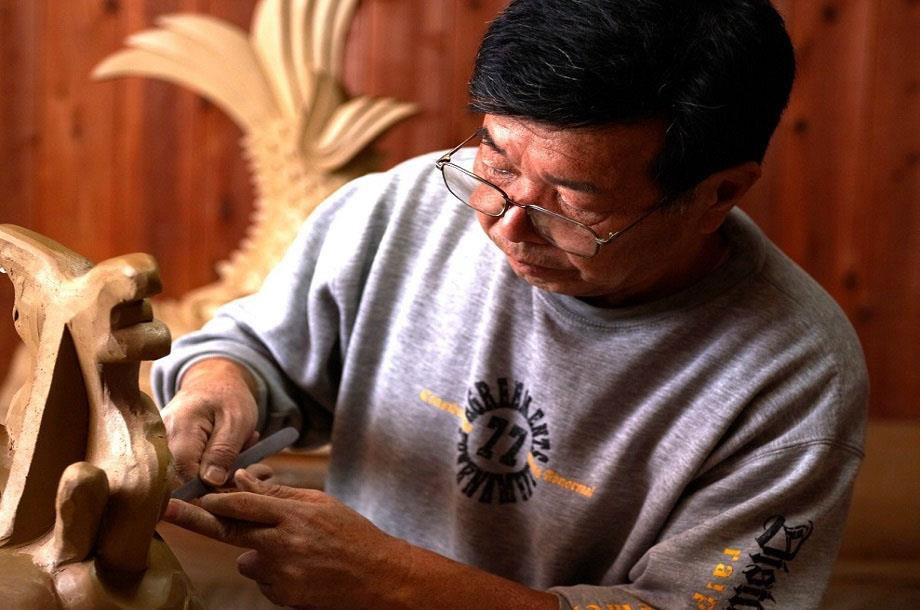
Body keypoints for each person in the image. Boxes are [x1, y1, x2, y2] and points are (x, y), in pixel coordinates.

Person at [153, 1, 868, 608]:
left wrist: (399, 584)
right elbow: (259, 351)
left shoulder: (793, 380)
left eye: (573, 203)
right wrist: (219, 383)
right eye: (495, 160)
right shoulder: (402, 208)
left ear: (718, 193)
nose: (506, 224)